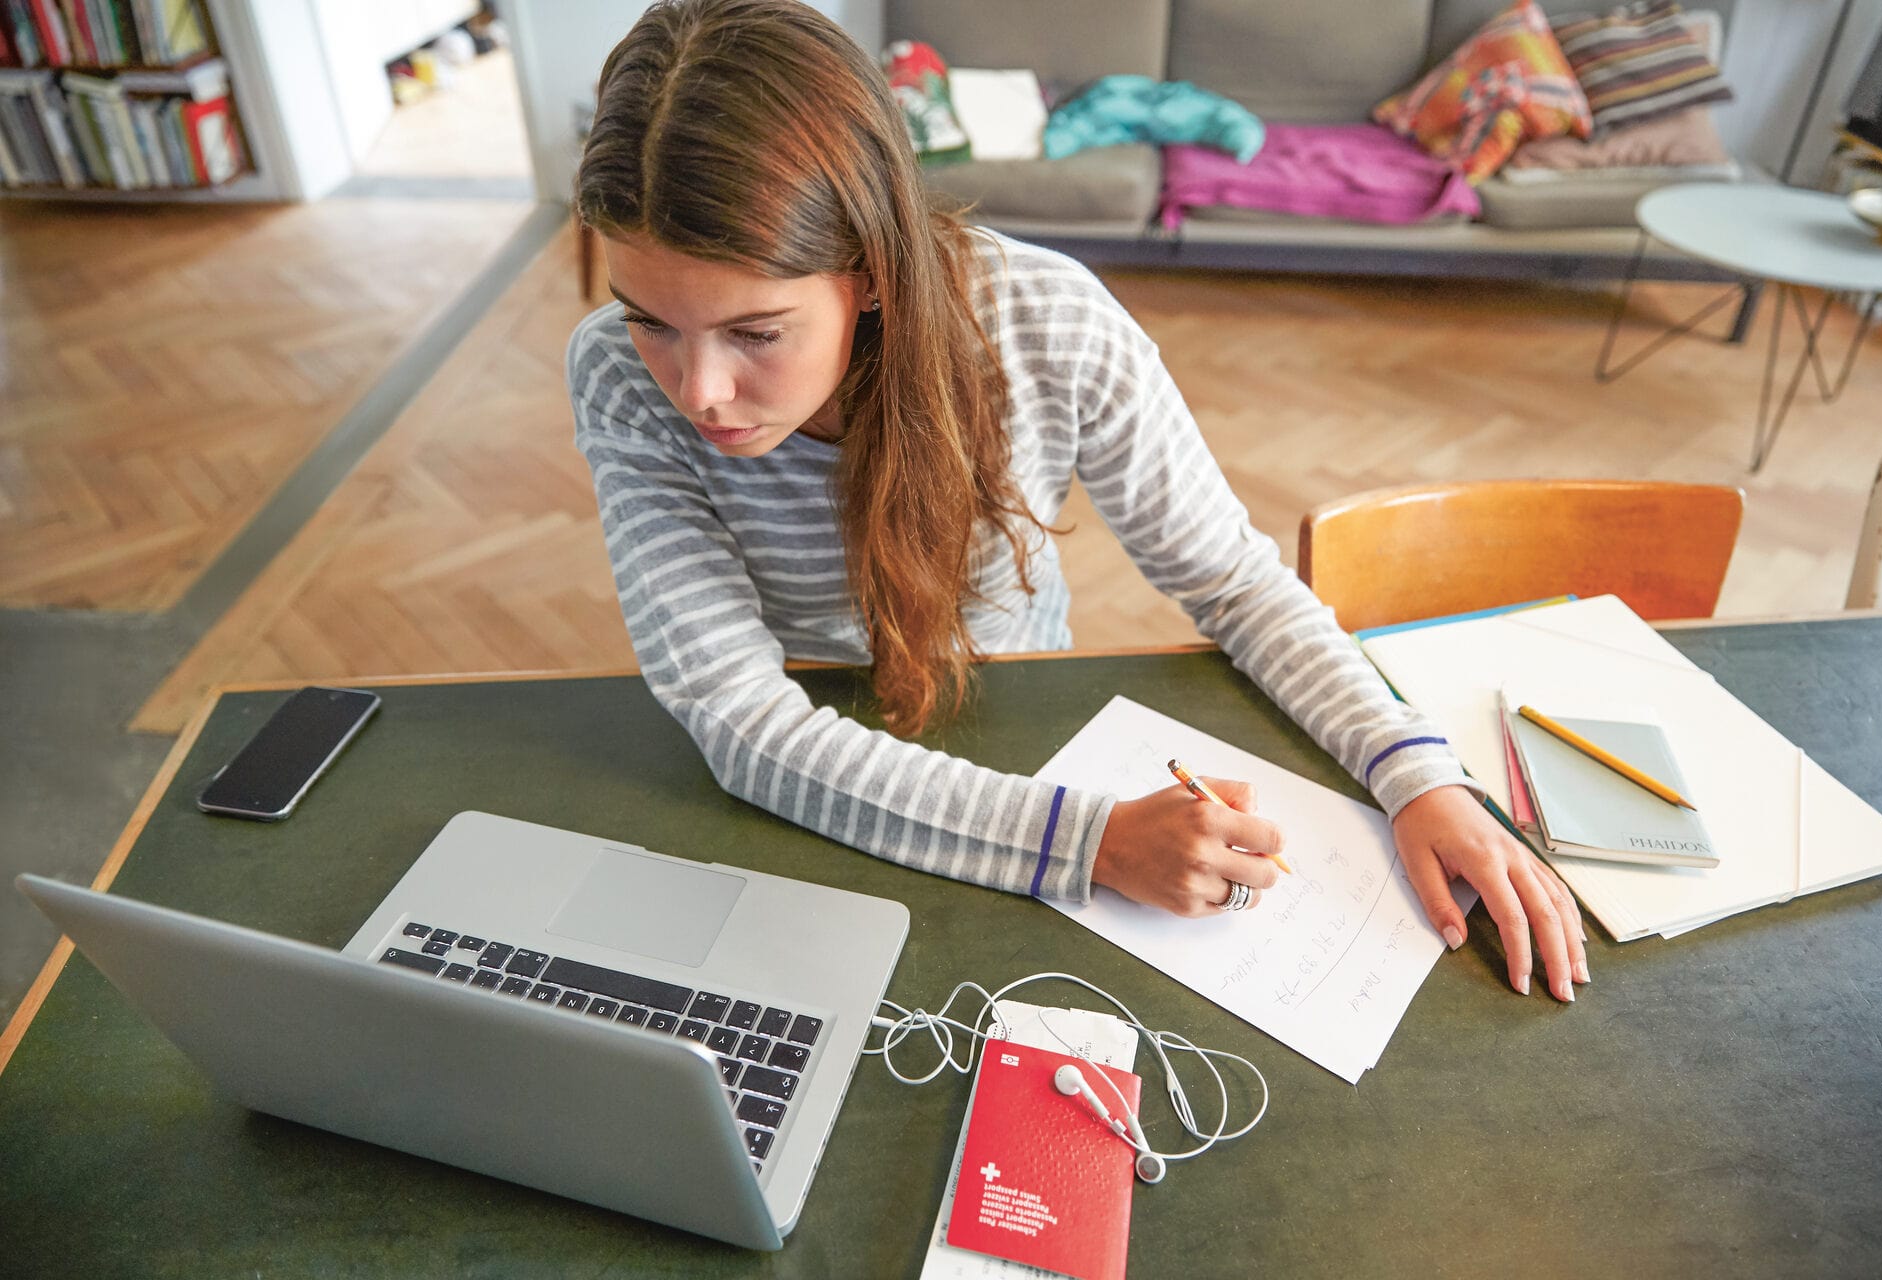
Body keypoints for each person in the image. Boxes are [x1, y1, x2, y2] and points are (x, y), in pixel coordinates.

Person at [568, 0, 1588, 1003]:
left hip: (1016, 707)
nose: (697, 390)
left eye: (755, 333)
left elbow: (1234, 583)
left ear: (869, 272)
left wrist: (1418, 773)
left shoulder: (1046, 323)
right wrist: (1092, 841)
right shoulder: (616, 375)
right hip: (809, 761)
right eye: (649, 319)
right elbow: (739, 716)